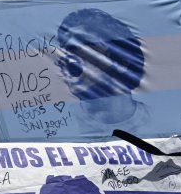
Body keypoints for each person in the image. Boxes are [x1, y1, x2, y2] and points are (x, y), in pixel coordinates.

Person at [55, 8, 150, 136]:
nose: (67, 58)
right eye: (65, 49)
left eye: (83, 47)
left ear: (121, 62)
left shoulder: (161, 123)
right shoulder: (59, 127)